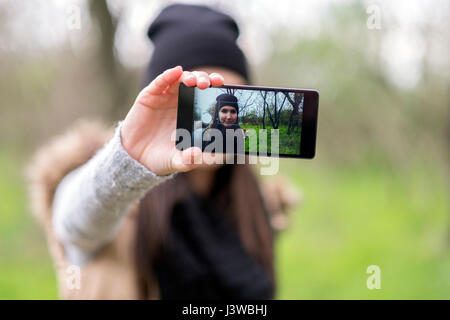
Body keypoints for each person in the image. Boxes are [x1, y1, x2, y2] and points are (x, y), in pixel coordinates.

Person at [26, 3, 298, 300]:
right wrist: (129, 157)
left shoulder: (256, 206)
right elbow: (72, 222)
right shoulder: (116, 200)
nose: (223, 118)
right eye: (204, 100)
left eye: (235, 100)